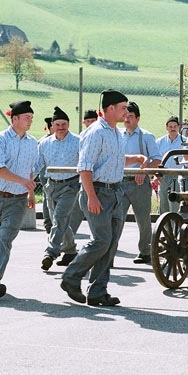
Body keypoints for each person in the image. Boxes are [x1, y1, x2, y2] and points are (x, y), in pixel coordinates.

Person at [60, 89, 147, 306]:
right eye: (123, 108)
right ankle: (71, 276)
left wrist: (135, 158)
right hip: (98, 192)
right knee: (101, 241)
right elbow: (85, 167)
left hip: (115, 192)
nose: (126, 112)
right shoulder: (96, 132)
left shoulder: (115, 132)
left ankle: (98, 291)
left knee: (111, 244)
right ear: (110, 108)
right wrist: (91, 196)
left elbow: (113, 160)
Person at [0, 100, 38, 300]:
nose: (30, 120)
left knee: (5, 239)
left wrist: (30, 193)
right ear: (15, 119)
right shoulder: (0, 139)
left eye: (31, 117)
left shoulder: (32, 143)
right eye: (27, 117)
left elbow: (30, 170)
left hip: (18, 200)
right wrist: (22, 181)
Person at [37, 106, 83, 271]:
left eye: (64, 124)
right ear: (52, 126)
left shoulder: (78, 141)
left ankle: (50, 252)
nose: (61, 127)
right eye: (57, 124)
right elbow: (37, 165)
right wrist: (25, 179)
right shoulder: (44, 143)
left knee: (59, 218)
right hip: (51, 186)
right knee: (59, 222)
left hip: (71, 185)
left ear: (68, 124)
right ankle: (70, 251)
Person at [119, 101, 162, 264]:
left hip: (139, 184)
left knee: (143, 219)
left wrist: (143, 172)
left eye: (130, 116)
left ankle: (145, 251)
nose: (127, 119)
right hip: (120, 183)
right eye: (125, 116)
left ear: (138, 118)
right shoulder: (118, 135)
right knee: (116, 219)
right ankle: (109, 252)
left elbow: (157, 159)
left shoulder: (146, 136)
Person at [155, 115, 184, 214]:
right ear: (166, 127)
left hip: (177, 174)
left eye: (175, 126)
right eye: (170, 127)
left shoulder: (184, 141)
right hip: (163, 174)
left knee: (174, 202)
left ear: (178, 127)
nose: (173, 129)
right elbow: (156, 159)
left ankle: (175, 222)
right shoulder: (160, 142)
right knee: (163, 201)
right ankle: (164, 222)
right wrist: (156, 175)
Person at [40, 116, 54, 234]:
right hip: (46, 172)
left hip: (56, 174)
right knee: (47, 196)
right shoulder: (44, 141)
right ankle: (48, 223)